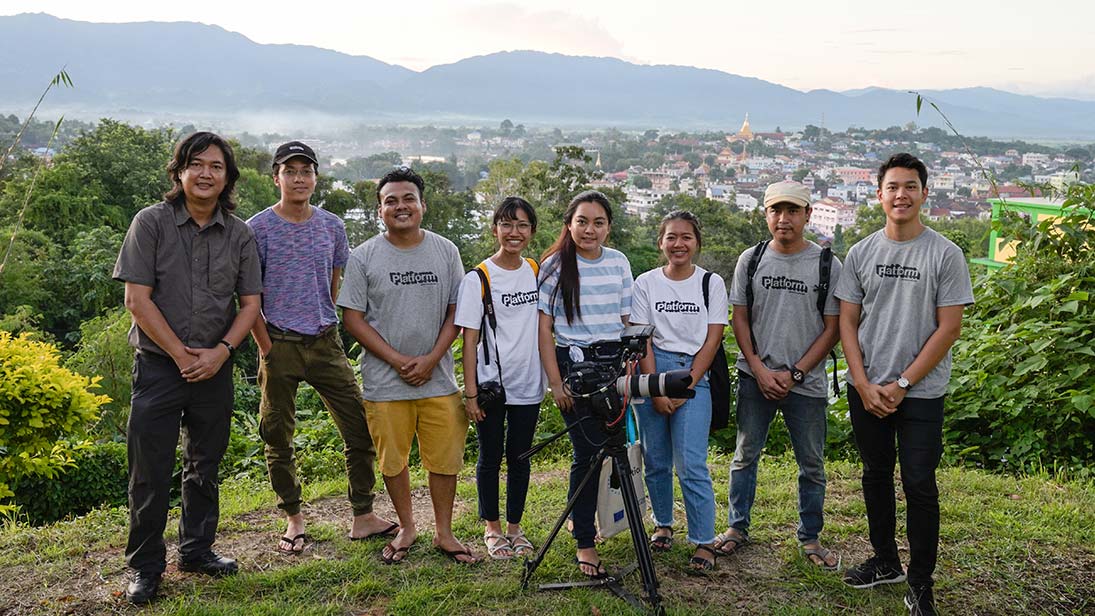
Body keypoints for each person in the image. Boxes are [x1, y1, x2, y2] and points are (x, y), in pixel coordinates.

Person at [113, 132, 262, 604]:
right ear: (179, 172)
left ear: (227, 178)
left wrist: (221, 352)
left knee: (205, 465)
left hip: (214, 369)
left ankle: (197, 550)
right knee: (149, 470)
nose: (205, 174)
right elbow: (137, 300)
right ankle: (146, 567)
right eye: (195, 164)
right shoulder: (150, 223)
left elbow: (250, 303)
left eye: (215, 166)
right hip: (159, 367)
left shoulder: (239, 234)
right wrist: (180, 354)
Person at [836, 153, 973, 616]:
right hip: (867, 389)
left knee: (919, 483)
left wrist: (902, 382)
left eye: (910, 186)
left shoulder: (945, 254)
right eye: (892, 187)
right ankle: (885, 561)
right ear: (878, 195)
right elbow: (847, 324)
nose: (901, 195)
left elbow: (948, 328)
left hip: (921, 393)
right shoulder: (861, 253)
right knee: (875, 475)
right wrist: (862, 381)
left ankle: (920, 584)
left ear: (924, 194)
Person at [247, 141, 398, 555]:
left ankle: (363, 514)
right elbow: (246, 296)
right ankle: (293, 517)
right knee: (277, 435)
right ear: (276, 177)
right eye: (290, 171)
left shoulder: (332, 226)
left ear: (315, 177)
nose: (299, 178)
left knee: (360, 428)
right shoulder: (256, 228)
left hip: (325, 340)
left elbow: (334, 283)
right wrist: (266, 345)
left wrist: (322, 318)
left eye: (306, 171)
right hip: (278, 342)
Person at [337, 166, 478, 565]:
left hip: (439, 379)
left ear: (422, 205)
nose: (401, 206)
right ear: (379, 210)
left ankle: (444, 532)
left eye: (408, 198)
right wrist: (399, 361)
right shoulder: (363, 257)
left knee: (444, 460)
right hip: (385, 382)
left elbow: (457, 309)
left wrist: (433, 357)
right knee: (393, 461)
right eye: (391, 201)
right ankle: (407, 527)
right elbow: (352, 318)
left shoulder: (446, 250)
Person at [718, 180, 843, 571]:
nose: (783, 219)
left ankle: (810, 536)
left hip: (805, 384)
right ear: (766, 214)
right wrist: (756, 366)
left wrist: (796, 373)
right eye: (776, 210)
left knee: (811, 462)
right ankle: (736, 528)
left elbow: (833, 326)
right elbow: (739, 315)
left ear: (808, 215)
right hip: (756, 377)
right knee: (744, 456)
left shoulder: (827, 264)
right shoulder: (751, 259)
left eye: (792, 211)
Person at [537, 190, 633, 579]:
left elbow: (626, 321)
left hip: (613, 366)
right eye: (582, 221)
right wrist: (555, 383)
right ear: (569, 224)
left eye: (598, 222)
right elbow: (544, 329)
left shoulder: (619, 262)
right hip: (573, 367)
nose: (589, 230)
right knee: (587, 453)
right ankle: (585, 543)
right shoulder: (555, 266)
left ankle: (586, 520)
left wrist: (629, 371)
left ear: (608, 227)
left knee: (613, 450)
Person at [630, 211, 726, 571]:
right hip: (652, 368)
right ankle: (663, 523)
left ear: (696, 242)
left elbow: (714, 337)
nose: (678, 244)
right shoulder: (646, 283)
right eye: (671, 237)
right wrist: (655, 389)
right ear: (661, 242)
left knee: (691, 462)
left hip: (694, 370)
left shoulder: (710, 283)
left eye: (686, 237)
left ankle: (704, 540)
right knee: (655, 458)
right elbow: (644, 340)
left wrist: (686, 383)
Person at [454, 197, 546, 560]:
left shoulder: (537, 271)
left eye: (522, 225)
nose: (514, 232)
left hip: (529, 381)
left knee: (520, 457)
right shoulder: (478, 277)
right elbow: (469, 339)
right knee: (491, 456)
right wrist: (471, 393)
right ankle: (492, 528)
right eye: (507, 225)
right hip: (492, 385)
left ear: (532, 232)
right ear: (495, 229)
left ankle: (515, 528)